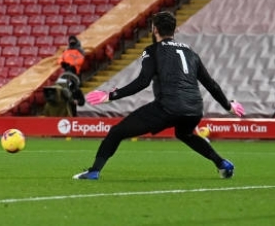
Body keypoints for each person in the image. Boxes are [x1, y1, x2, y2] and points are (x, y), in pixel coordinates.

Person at [73, 11, 245, 180]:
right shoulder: (191, 52)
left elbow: (142, 82)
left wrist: (110, 95)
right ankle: (222, 164)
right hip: (194, 109)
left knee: (117, 132)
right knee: (185, 134)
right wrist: (228, 106)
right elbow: (211, 84)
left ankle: (94, 171)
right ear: (175, 30)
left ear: (154, 29)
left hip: (168, 107)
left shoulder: (152, 50)